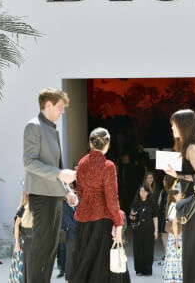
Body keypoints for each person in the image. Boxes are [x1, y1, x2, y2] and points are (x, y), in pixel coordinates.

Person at [23, 88, 77, 283]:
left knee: (50, 250)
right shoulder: (34, 126)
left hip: (55, 197)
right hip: (41, 197)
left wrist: (67, 190)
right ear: (48, 105)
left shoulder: (52, 129)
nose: (63, 111)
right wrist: (60, 174)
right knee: (41, 250)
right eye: (60, 107)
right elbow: (29, 162)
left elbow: (56, 165)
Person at [71, 127, 123, 283]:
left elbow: (80, 191)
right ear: (107, 144)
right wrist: (119, 223)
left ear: (90, 143)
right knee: (101, 268)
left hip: (83, 220)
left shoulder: (82, 163)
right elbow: (112, 198)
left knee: (83, 264)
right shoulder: (108, 166)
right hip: (102, 220)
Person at [163, 109, 195, 283]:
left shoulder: (191, 149)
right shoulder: (185, 148)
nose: (172, 128)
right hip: (190, 202)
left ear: (184, 126)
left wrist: (178, 175)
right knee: (190, 249)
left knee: (194, 250)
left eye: (174, 125)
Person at [130, 184, 159, 276]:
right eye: (141, 191)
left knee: (148, 249)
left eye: (145, 191)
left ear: (148, 193)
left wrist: (156, 230)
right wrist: (131, 215)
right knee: (138, 249)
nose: (143, 193)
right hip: (138, 229)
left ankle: (148, 270)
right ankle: (139, 270)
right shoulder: (135, 203)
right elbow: (131, 216)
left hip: (149, 228)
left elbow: (155, 217)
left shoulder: (152, 203)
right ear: (139, 192)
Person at [8, 191, 31, 283]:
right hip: (23, 241)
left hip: (29, 241)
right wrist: (17, 242)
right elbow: (16, 225)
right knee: (21, 266)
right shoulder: (23, 208)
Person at [163, 188, 183, 283]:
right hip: (176, 237)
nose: (181, 195)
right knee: (176, 260)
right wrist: (176, 240)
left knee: (172, 260)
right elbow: (174, 223)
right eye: (179, 194)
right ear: (174, 196)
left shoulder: (171, 205)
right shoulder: (175, 206)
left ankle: (172, 280)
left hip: (172, 237)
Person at [158, 174, 174, 265]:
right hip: (162, 216)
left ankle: (170, 256)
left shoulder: (173, 191)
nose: (163, 181)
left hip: (170, 217)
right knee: (164, 236)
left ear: (168, 181)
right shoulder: (163, 191)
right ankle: (167, 255)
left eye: (164, 180)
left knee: (169, 237)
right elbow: (160, 203)